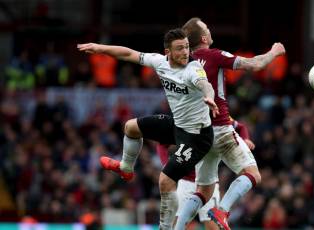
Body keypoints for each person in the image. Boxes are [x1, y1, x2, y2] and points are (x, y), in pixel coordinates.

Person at [77, 28, 219, 230]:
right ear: (167, 52)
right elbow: (128, 53)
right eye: (179, 48)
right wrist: (100, 48)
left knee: (165, 180)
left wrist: (209, 97)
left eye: (187, 47)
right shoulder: (159, 62)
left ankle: (165, 228)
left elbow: (205, 84)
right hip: (178, 125)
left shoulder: (194, 69)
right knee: (131, 127)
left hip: (197, 137)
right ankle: (126, 168)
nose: (185, 52)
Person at [175, 17, 285, 230]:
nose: (209, 27)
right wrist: (274, 52)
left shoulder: (183, 64)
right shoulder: (215, 55)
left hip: (199, 135)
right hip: (221, 128)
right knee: (252, 174)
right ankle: (222, 210)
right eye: (207, 27)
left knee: (204, 191)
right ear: (204, 38)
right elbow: (254, 65)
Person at [156, 118, 255, 230]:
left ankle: (222, 211)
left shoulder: (215, 116)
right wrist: (165, 164)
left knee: (212, 226)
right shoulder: (186, 118)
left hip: (209, 183)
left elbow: (240, 127)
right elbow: (162, 143)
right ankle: (223, 209)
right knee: (177, 223)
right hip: (186, 181)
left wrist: (246, 139)